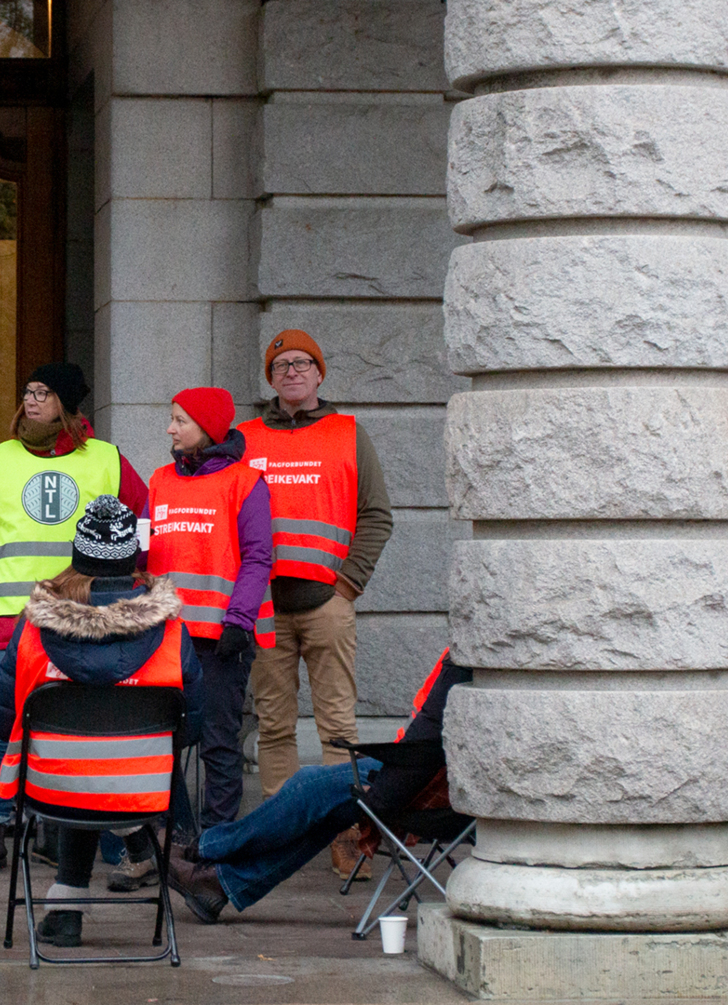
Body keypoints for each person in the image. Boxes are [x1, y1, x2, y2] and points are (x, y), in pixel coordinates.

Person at [0, 362, 150, 876]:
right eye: (28, 391)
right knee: (3, 731)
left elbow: (144, 524)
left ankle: (59, 836)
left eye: (44, 393)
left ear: (69, 406)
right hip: (9, 624)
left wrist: (125, 589)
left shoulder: (107, 460)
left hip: (82, 622)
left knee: (75, 729)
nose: (31, 401)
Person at [0, 495, 203, 948]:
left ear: (78, 555)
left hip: (51, 787)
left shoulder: (35, 628)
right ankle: (139, 846)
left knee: (76, 768)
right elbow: (193, 725)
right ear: (131, 561)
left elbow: (2, 713)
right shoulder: (171, 630)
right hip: (142, 788)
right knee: (108, 767)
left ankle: (66, 916)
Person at [235, 328, 393, 875]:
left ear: (320, 373)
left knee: (338, 729)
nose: (293, 372)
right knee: (274, 725)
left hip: (328, 604)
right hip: (266, 609)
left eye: (303, 364)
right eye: (281, 366)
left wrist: (348, 585)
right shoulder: (245, 437)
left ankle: (347, 838)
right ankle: (283, 840)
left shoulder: (348, 433)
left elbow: (376, 515)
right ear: (270, 378)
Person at [167, 651, 470, 924]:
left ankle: (203, 849)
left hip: (421, 782)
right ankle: (218, 884)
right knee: (325, 808)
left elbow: (426, 742)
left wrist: (383, 795)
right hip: (424, 774)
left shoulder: (467, 657)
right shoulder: (470, 653)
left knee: (308, 786)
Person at [144, 387, 273, 829]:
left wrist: (238, 620)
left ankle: (216, 846)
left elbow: (258, 557)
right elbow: (144, 552)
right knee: (158, 741)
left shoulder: (245, 482)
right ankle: (176, 838)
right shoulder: (160, 479)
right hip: (163, 636)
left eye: (180, 420)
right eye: (172, 418)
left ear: (207, 428)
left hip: (220, 641)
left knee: (218, 744)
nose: (170, 428)